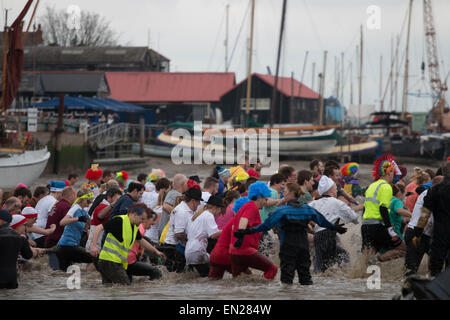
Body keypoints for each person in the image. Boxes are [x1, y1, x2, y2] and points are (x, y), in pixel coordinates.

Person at [235, 182, 346, 285]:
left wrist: (247, 231)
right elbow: (322, 221)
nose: (283, 193)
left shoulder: (282, 211)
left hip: (288, 247)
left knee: (287, 280)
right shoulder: (307, 209)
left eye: (285, 192)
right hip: (303, 247)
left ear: (291, 194)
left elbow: (266, 225)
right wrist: (334, 227)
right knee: (306, 279)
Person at [90, 203, 164, 285]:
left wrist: (156, 251)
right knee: (125, 287)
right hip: (110, 261)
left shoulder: (134, 226)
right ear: (135, 215)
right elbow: (98, 228)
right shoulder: (120, 220)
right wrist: (94, 246)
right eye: (141, 219)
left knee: (109, 288)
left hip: (113, 262)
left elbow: (141, 240)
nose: (142, 222)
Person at [308, 176, 360, 272]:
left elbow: (304, 214)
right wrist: (354, 221)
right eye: (336, 189)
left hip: (318, 236)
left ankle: (333, 279)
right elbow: (353, 217)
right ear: (331, 191)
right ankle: (345, 277)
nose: (337, 192)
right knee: (324, 264)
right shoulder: (336, 203)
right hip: (327, 235)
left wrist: (310, 226)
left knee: (329, 260)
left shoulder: (314, 203)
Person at [230, 182, 278, 280]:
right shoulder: (252, 207)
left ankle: (242, 294)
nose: (266, 202)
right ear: (259, 197)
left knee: (241, 279)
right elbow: (244, 219)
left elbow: (234, 225)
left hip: (234, 251)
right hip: (245, 250)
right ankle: (262, 293)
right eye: (265, 199)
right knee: (272, 269)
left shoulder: (245, 206)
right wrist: (241, 234)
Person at [361, 154, 402, 262]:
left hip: (365, 226)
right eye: (393, 172)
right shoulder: (386, 186)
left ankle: (360, 273)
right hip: (377, 226)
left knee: (368, 253)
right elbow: (383, 209)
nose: (394, 175)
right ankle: (376, 261)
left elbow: (365, 207)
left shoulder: (372, 185)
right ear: (389, 172)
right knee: (403, 249)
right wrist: (389, 229)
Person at [414, 162, 450, 277]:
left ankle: (433, 290)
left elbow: (425, 214)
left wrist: (418, 232)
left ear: (443, 173)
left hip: (439, 234)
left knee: (435, 267)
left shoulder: (434, 190)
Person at [404, 176, 443, 276]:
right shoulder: (431, 195)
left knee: (432, 266)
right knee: (411, 270)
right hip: (416, 233)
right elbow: (429, 216)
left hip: (421, 234)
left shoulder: (426, 193)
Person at [208, 198, 252, 280]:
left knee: (212, 281)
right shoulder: (240, 222)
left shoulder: (233, 221)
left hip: (215, 255)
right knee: (248, 278)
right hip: (225, 255)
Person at [162, 187, 203, 273]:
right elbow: (178, 234)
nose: (199, 204)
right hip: (173, 248)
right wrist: (193, 240)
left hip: (180, 246)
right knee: (178, 274)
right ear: (193, 201)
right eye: (199, 201)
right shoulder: (181, 211)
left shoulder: (190, 210)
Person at [0, 213, 45, 289]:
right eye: (24, 225)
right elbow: (28, 255)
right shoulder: (20, 238)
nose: (26, 228)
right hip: (12, 277)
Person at [55, 188, 94, 272]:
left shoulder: (83, 211)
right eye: (90, 199)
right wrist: (77, 219)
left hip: (67, 247)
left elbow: (93, 224)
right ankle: (89, 278)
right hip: (67, 246)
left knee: (65, 276)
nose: (91, 201)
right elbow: (62, 222)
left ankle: (87, 280)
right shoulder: (75, 208)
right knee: (94, 258)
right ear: (83, 199)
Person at [185, 195, 223, 277]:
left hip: (189, 251)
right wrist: (228, 229)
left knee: (202, 278)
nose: (220, 212)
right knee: (214, 278)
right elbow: (213, 235)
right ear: (215, 207)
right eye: (220, 209)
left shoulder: (198, 215)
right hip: (197, 251)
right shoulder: (209, 215)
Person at [126, 205, 165, 283]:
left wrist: (155, 251)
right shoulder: (140, 228)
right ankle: (150, 289)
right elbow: (141, 240)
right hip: (129, 261)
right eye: (153, 220)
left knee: (127, 283)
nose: (154, 223)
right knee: (156, 272)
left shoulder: (138, 227)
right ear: (146, 218)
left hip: (128, 260)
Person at [44, 186, 77, 270]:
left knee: (54, 271)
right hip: (57, 242)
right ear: (70, 196)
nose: (76, 197)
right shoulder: (66, 207)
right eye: (75, 195)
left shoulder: (57, 204)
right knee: (61, 270)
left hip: (49, 240)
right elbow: (69, 223)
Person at [86, 187, 123, 254]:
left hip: (98, 244)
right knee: (93, 264)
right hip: (96, 245)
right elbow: (100, 215)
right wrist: (112, 205)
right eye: (117, 199)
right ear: (109, 198)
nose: (119, 201)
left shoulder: (107, 207)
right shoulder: (102, 206)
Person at [33, 181, 66, 248]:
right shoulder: (53, 202)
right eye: (63, 194)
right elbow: (54, 219)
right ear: (59, 192)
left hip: (35, 234)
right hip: (41, 235)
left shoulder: (43, 199)